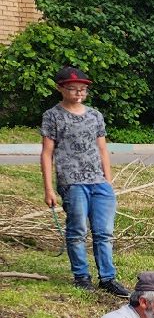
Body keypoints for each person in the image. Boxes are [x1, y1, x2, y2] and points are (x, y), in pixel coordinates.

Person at [42, 66, 127, 297]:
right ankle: (81, 276)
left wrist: (108, 181)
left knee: (104, 232)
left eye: (82, 89)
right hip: (72, 183)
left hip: (98, 182)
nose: (79, 93)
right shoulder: (53, 116)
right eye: (73, 89)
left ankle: (107, 278)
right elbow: (47, 153)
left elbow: (102, 149)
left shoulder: (95, 115)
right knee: (77, 230)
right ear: (60, 88)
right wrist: (49, 188)